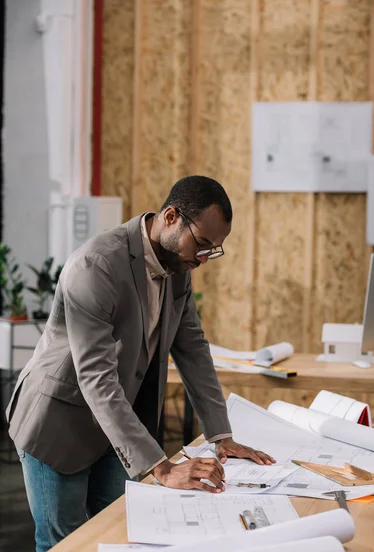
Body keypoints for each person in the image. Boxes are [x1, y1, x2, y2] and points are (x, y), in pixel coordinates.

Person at [6, 175, 275, 552]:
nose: (202, 258)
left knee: (120, 533)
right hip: (58, 422)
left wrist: (221, 435)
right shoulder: (95, 266)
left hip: (115, 423)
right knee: (65, 543)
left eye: (212, 250)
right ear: (170, 217)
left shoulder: (177, 265)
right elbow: (95, 378)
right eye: (201, 244)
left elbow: (193, 348)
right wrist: (162, 468)